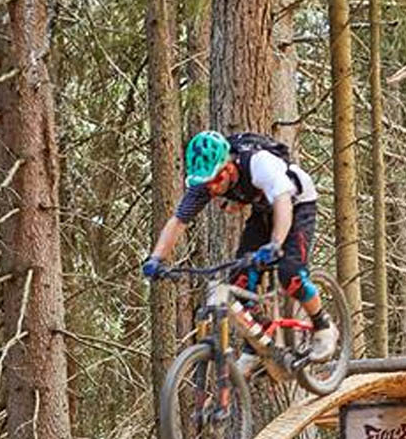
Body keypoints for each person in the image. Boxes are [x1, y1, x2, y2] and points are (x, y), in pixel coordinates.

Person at [142, 130, 339, 369]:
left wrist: (275, 244)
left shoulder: (259, 164)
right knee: (240, 280)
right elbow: (178, 221)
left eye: (215, 181)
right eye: (206, 184)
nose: (212, 189)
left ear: (228, 167)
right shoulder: (206, 184)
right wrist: (156, 259)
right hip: (264, 211)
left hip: (297, 205)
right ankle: (257, 345)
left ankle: (322, 324)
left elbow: (283, 203)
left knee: (291, 274)